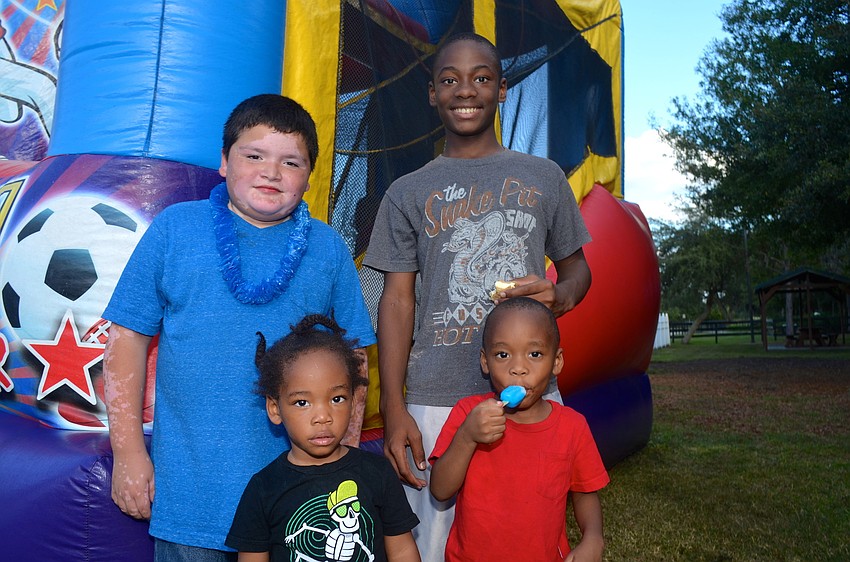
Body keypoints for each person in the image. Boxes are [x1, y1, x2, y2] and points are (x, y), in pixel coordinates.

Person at [103, 94, 376, 561]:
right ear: (224, 162)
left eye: (290, 162)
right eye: (254, 156)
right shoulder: (175, 229)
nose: (271, 172)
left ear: (308, 178)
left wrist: (341, 464)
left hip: (299, 505)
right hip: (191, 497)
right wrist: (128, 453)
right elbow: (126, 340)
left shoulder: (328, 249)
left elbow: (355, 359)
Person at [362, 32, 592, 560]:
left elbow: (579, 272)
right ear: (432, 93)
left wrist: (558, 296)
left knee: (524, 534)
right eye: (450, 80)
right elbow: (396, 303)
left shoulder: (544, 177)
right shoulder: (407, 191)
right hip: (433, 398)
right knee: (428, 541)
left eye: (482, 78)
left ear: (503, 89)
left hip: (530, 397)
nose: (466, 90)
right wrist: (392, 406)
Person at [226, 315, 420, 562]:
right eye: (302, 402)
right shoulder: (263, 489)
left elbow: (402, 550)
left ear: (353, 401)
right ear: (275, 409)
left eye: (336, 398)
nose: (322, 417)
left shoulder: (379, 472)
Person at [429, 297, 608, 562]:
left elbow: (584, 493)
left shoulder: (573, 426)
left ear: (556, 362)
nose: (518, 369)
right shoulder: (469, 414)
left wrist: (593, 537)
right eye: (503, 355)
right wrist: (467, 437)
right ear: (485, 361)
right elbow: (440, 490)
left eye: (535, 354)